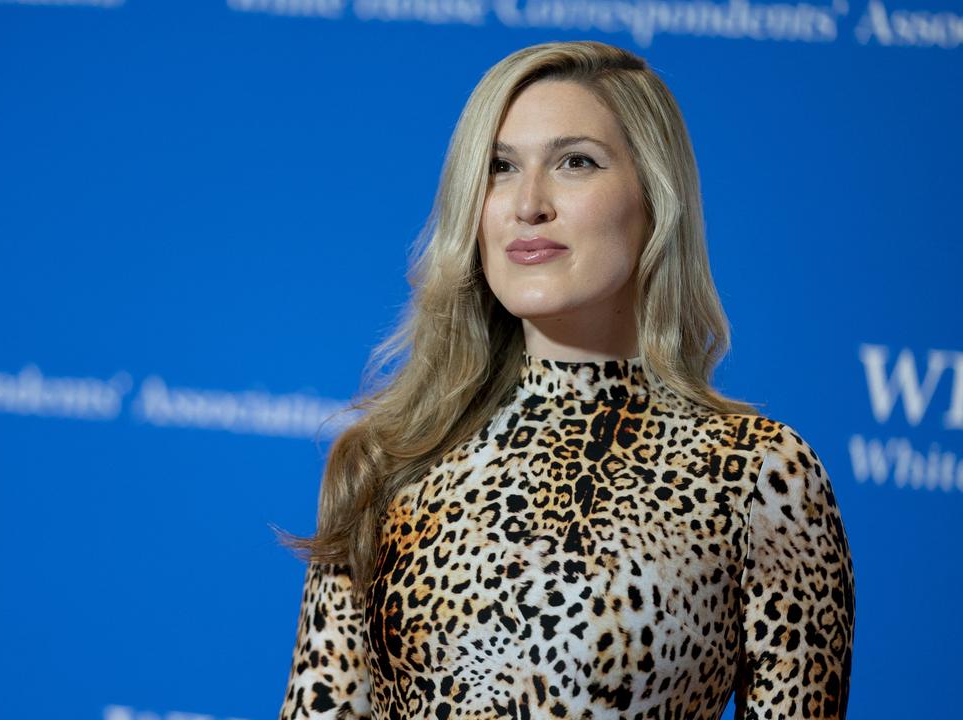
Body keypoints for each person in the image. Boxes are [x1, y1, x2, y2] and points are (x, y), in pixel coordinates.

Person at [274, 40, 855, 719]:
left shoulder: (758, 474)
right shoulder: (388, 460)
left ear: (655, 199)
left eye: (575, 162)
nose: (527, 204)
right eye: (498, 168)